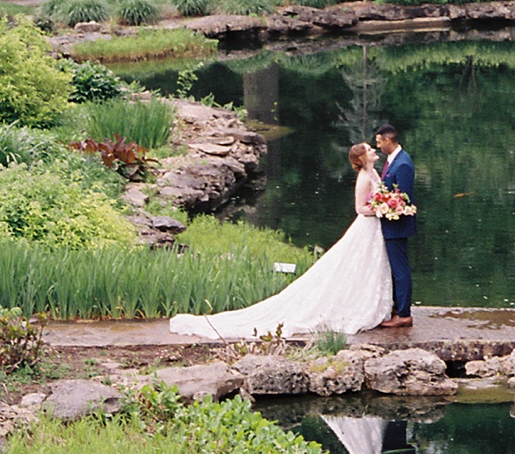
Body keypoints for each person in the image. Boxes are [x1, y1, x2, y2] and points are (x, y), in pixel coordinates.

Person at [168, 141, 392, 341]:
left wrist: (386, 206)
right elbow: (359, 208)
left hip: (375, 228)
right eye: (370, 150)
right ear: (362, 157)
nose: (374, 151)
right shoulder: (363, 178)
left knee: (366, 266)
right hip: (367, 225)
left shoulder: (373, 174)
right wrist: (380, 209)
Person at [374, 121, 415, 327]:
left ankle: (404, 313)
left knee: (400, 269)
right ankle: (397, 307)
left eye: (380, 142)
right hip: (391, 225)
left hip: (397, 226)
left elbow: (403, 199)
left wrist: (383, 206)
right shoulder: (394, 161)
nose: (378, 146)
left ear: (388, 140)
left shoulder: (403, 164)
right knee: (395, 268)